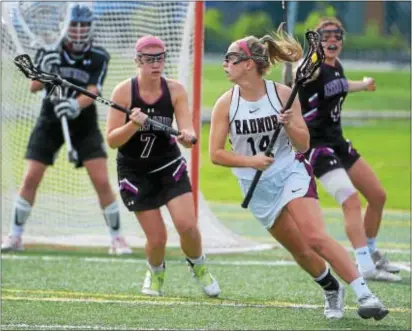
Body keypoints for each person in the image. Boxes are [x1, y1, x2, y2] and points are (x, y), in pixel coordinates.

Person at [209, 27, 389, 320]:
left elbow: (303, 142)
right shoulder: (225, 104)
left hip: (290, 171)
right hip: (256, 186)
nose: (225, 63)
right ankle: (331, 288)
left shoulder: (281, 94)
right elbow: (216, 154)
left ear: (249, 64)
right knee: (302, 252)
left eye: (231, 57)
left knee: (315, 237)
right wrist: (251, 161)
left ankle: (365, 294)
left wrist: (290, 122)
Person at [1, 4, 132, 256]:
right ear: (65, 26)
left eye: (84, 25)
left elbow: (93, 91)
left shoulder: (99, 56)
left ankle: (117, 239)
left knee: (102, 181)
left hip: (83, 123)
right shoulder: (49, 50)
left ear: (91, 27)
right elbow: (34, 86)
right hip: (50, 120)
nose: (79, 30)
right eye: (74, 25)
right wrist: (46, 72)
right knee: (30, 177)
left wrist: (74, 104)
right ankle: (15, 235)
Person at [105, 35, 220, 298]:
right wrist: (134, 124)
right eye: (149, 59)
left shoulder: (175, 90)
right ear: (137, 61)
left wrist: (188, 136)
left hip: (168, 166)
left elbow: (186, 126)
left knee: (187, 226)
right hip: (134, 171)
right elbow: (112, 141)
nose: (155, 64)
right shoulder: (124, 92)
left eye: (160, 58)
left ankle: (199, 266)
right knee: (157, 239)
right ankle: (155, 272)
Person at [297, 17, 400, 282]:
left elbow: (341, 86)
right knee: (351, 201)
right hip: (318, 147)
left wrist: (364, 84)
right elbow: (305, 73)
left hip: (338, 143)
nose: (332, 41)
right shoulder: (314, 68)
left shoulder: (337, 66)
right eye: (326, 36)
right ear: (316, 41)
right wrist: (303, 60)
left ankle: (372, 252)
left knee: (377, 196)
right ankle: (364, 266)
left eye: (337, 36)